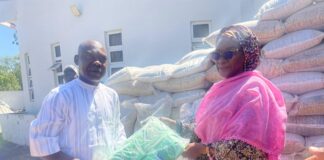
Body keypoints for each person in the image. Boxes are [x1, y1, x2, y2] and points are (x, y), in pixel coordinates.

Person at [181, 25, 287, 160]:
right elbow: (205, 131)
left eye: (228, 54)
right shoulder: (220, 91)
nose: (220, 60)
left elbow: (250, 148)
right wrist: (177, 128)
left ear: (247, 55)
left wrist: (204, 150)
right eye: (216, 54)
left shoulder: (253, 90)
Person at [29, 40, 126, 160]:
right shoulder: (60, 96)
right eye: (89, 56)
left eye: (102, 59)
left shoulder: (111, 96)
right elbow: (42, 141)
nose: (97, 62)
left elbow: (118, 132)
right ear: (76, 60)